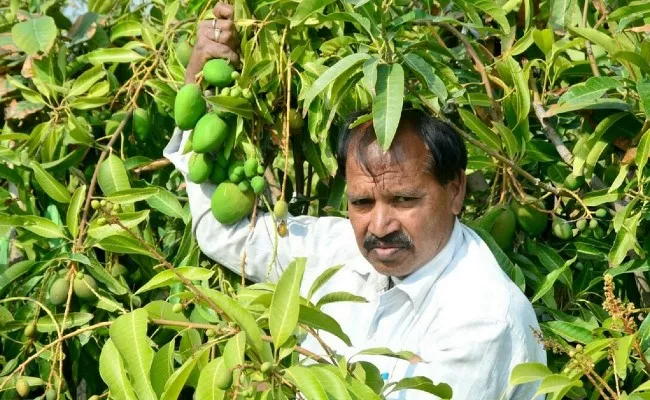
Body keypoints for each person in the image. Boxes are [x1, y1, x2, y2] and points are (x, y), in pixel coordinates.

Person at [166, 3, 547, 399]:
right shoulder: (336, 251)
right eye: (362, 203)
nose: (380, 226)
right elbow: (225, 232)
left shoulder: (480, 318)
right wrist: (201, 80)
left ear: (454, 192)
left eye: (403, 199)